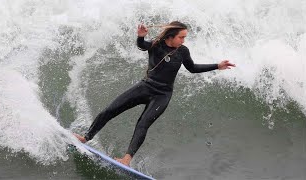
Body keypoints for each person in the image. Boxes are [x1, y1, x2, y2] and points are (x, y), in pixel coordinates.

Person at [74, 21, 235, 166]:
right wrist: (140, 37)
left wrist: (217, 66)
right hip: (146, 86)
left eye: (184, 38)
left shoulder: (183, 51)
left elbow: (192, 68)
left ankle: (127, 159)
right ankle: (85, 138)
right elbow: (142, 45)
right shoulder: (157, 45)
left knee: (143, 123)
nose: (183, 41)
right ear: (171, 36)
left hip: (162, 95)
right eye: (181, 37)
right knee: (110, 109)